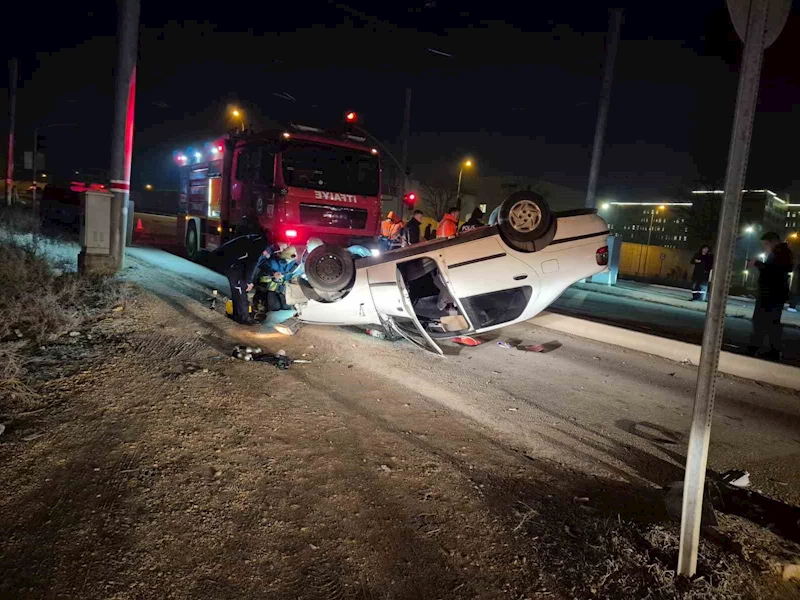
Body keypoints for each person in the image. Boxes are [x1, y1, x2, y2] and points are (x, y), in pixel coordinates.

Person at [746, 231, 794, 360]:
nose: (765, 248)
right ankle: (768, 349)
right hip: (773, 294)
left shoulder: (781, 253)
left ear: (773, 242)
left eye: (766, 244)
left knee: (763, 321)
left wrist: (757, 264)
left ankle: (760, 348)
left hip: (771, 294)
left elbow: (773, 272)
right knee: (769, 322)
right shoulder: (782, 253)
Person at [211, 232, 267, 325]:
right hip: (228, 262)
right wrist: (249, 282)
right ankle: (242, 318)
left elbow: (253, 264)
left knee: (240, 287)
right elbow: (252, 264)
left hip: (234, 262)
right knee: (240, 287)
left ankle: (238, 314)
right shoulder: (259, 246)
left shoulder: (258, 241)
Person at [265, 245, 298, 311]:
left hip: (285, 290)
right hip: (272, 290)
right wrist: (273, 274)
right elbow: (264, 275)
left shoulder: (293, 264)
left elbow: (294, 275)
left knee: (287, 307)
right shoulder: (273, 262)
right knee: (275, 308)